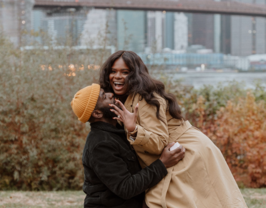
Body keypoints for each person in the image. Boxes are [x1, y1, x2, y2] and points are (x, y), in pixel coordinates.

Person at [99, 51, 248, 208]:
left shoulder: (144, 98)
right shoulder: (124, 98)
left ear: (135, 75)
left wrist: (134, 129)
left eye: (125, 72)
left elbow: (158, 143)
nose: (117, 76)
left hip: (184, 152)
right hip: (178, 151)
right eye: (113, 71)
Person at [70, 83, 185, 208]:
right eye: (104, 96)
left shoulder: (117, 131)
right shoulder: (100, 144)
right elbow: (126, 188)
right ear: (97, 113)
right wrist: (162, 164)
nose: (111, 94)